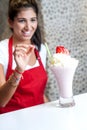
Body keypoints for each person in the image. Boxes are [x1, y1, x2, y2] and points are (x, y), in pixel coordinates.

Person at [0, 0, 48, 114]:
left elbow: (39, 94)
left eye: (33, 20)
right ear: (10, 22)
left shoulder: (40, 49)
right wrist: (18, 71)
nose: (28, 27)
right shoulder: (1, 50)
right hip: (11, 121)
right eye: (22, 21)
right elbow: (1, 100)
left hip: (39, 117)